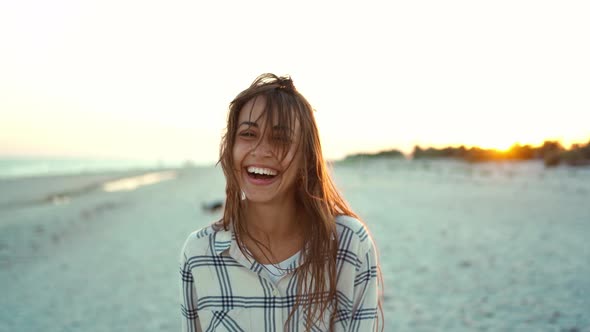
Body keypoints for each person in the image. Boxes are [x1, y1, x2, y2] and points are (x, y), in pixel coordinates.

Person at [179, 73, 382, 331]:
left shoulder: (348, 244)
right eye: (249, 134)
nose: (261, 151)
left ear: (306, 157)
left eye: (281, 138)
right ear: (229, 149)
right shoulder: (199, 253)